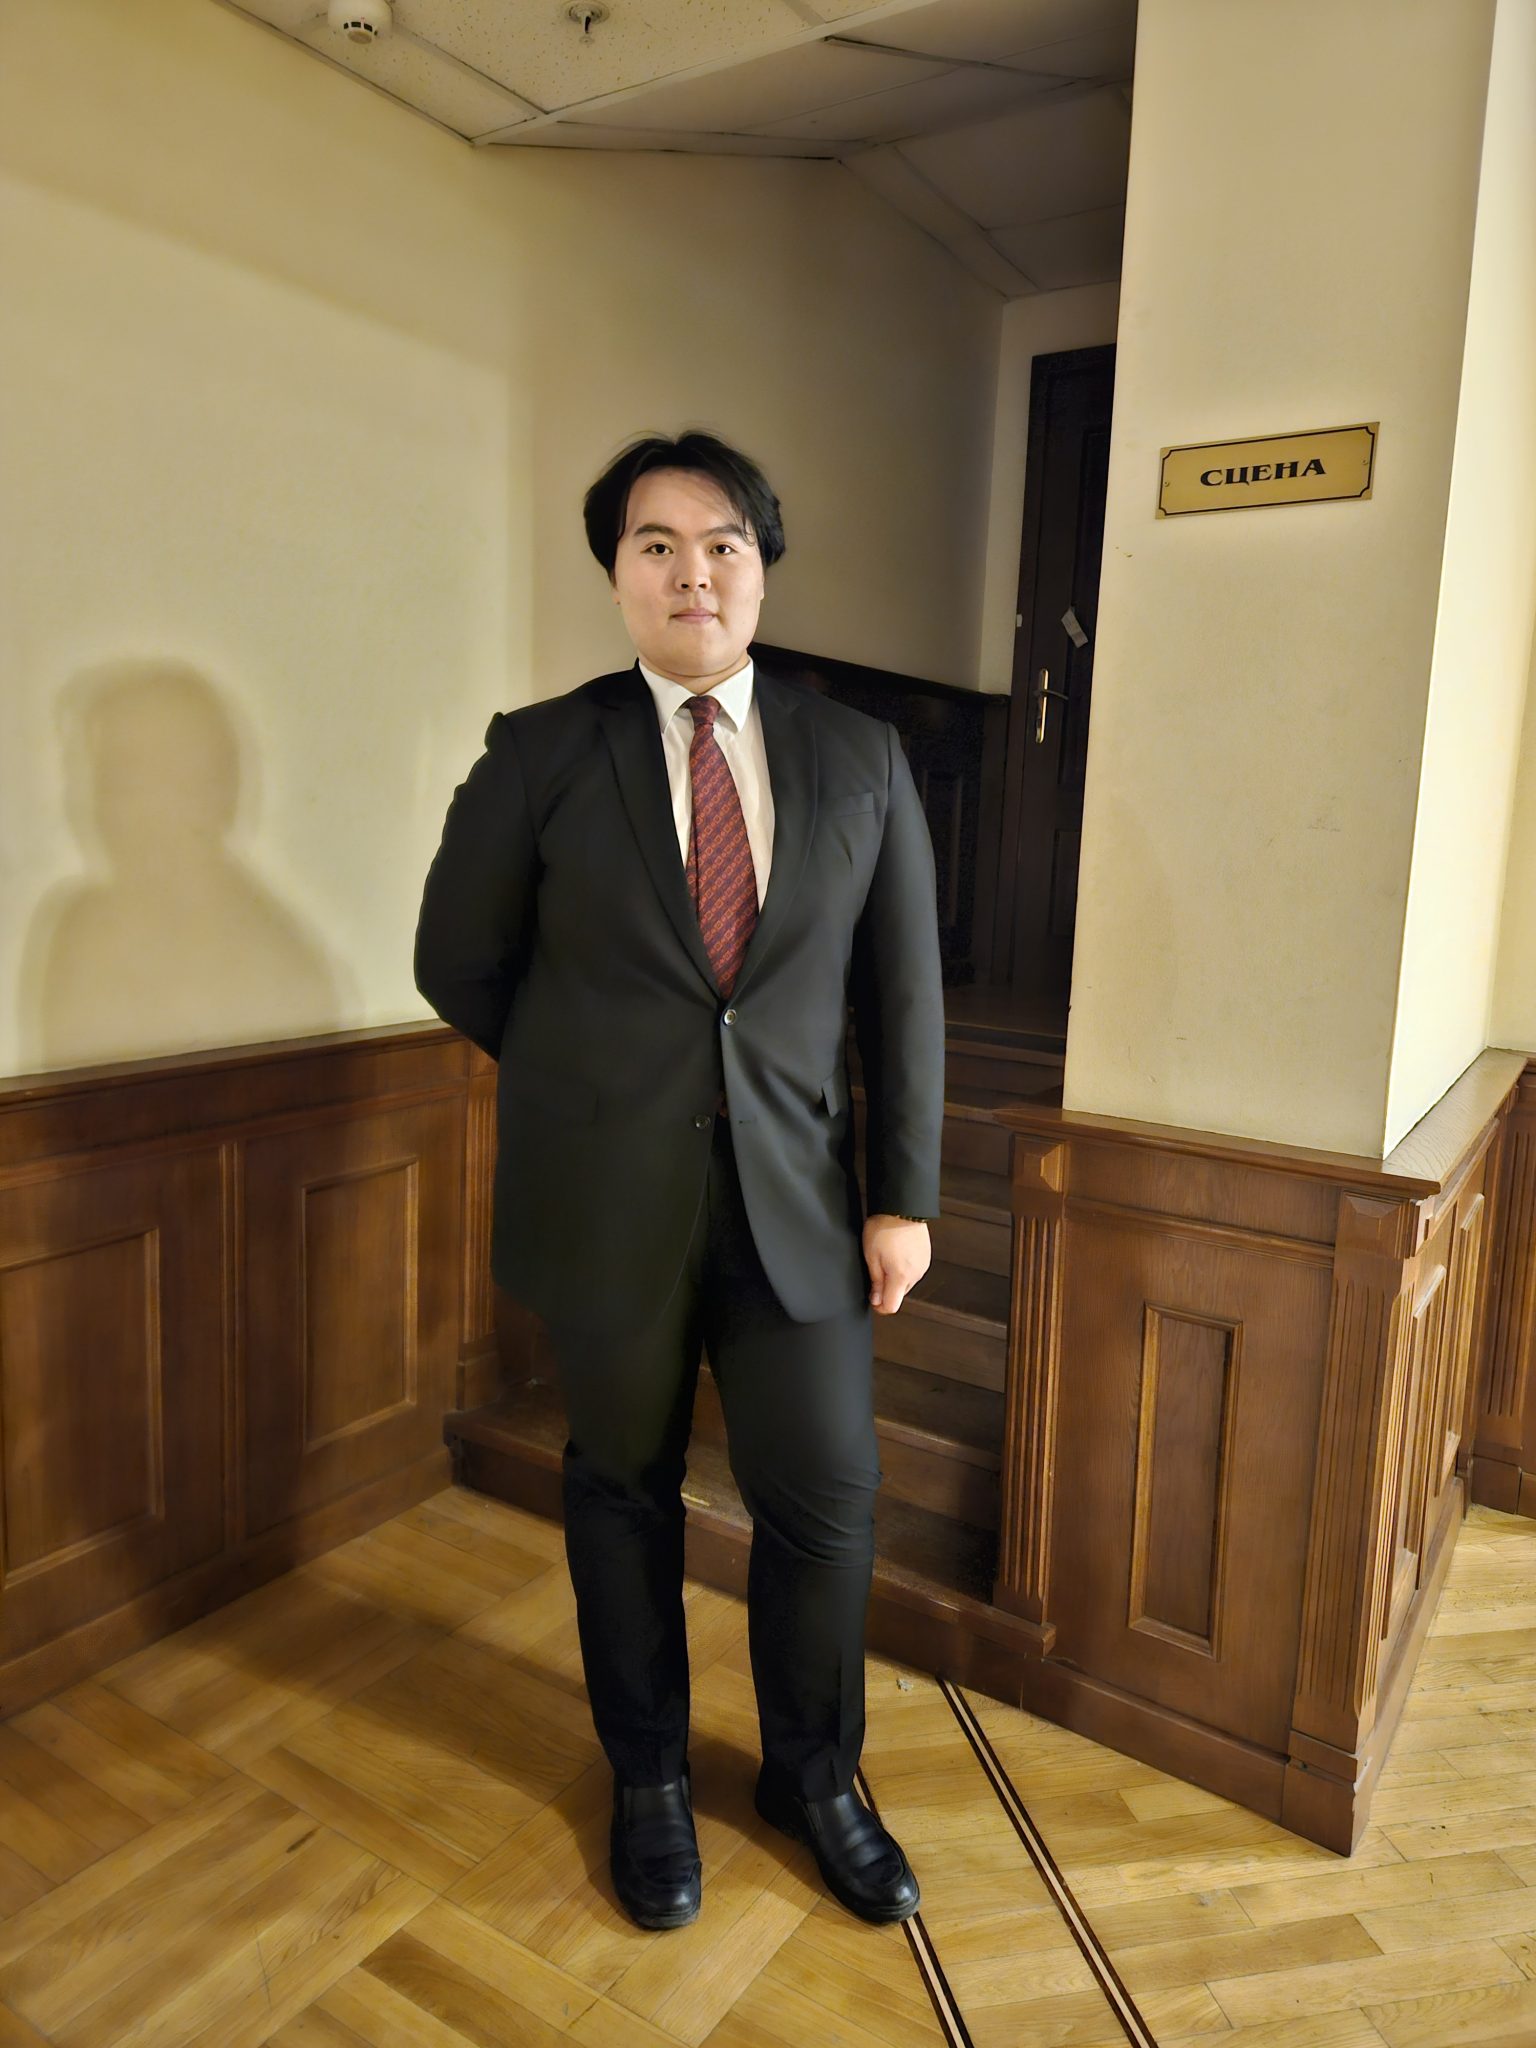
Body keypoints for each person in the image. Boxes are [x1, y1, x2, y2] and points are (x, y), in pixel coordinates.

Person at [413, 428, 945, 1930]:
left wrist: (903, 1195)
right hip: (611, 1205)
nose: (691, 571)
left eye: (722, 543)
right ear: (617, 574)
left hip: (803, 1202)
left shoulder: (859, 755)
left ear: (761, 570)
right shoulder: (542, 750)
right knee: (621, 1491)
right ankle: (646, 1774)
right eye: (657, 544)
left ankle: (816, 1777)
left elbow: (903, 994)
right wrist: (590, 1083)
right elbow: (456, 958)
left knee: (826, 1496)